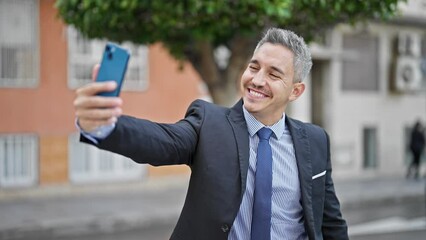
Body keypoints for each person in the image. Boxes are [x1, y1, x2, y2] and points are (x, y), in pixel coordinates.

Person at [74, 28, 348, 240]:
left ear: (296, 91)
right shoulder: (209, 123)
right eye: (254, 67)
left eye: (274, 74)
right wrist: (105, 125)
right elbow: (161, 141)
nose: (257, 80)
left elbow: (330, 222)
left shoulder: (315, 140)